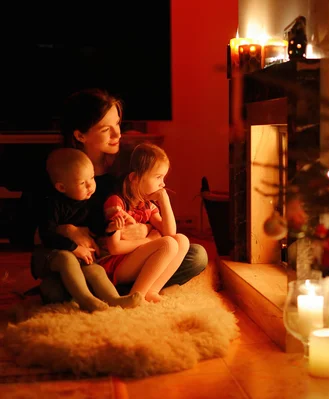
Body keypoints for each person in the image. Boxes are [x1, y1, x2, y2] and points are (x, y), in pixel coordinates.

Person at [37, 88, 208, 303]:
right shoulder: (61, 173)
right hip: (93, 261)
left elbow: (145, 212)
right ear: (80, 135)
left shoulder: (126, 166)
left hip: (133, 255)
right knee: (55, 289)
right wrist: (68, 229)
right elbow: (37, 233)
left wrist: (145, 228)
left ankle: (128, 289)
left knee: (196, 255)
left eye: (117, 124)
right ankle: (115, 289)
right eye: (106, 129)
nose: (117, 134)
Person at [32, 148, 142, 311]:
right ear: (62, 187)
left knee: (95, 269)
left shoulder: (89, 202)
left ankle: (114, 299)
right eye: (83, 183)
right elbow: (47, 235)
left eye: (92, 178)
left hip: (79, 256)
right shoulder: (52, 204)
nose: (91, 185)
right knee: (66, 258)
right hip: (48, 256)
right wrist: (75, 248)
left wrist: (111, 227)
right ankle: (86, 299)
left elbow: (96, 227)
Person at [97, 143, 189, 302]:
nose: (163, 184)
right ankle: (136, 295)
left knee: (181, 240)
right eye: (158, 177)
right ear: (134, 178)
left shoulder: (146, 204)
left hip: (133, 260)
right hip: (115, 266)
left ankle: (151, 290)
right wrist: (148, 240)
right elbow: (114, 248)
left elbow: (171, 232)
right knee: (167, 244)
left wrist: (164, 200)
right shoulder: (116, 203)